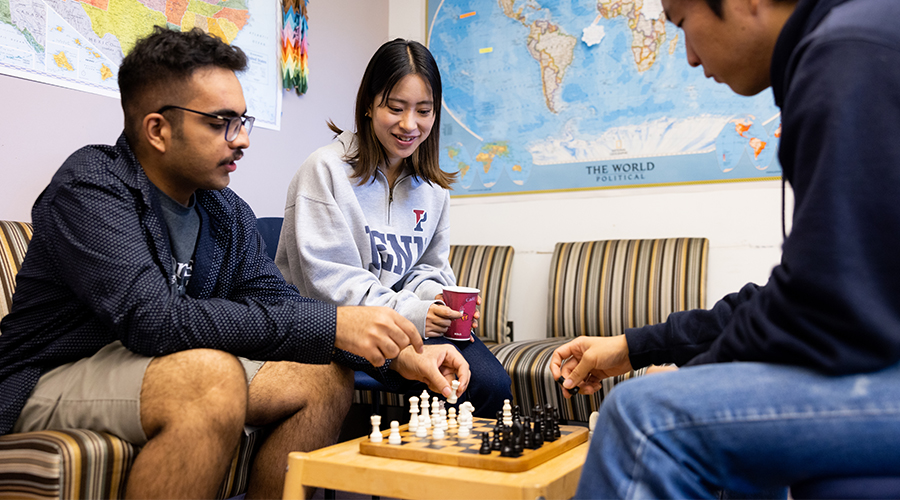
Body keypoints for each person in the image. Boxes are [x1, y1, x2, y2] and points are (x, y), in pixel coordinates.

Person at [0, 27, 471, 499]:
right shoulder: (91, 187)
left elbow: (281, 305)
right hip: (51, 374)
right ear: (158, 129)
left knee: (325, 376)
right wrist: (333, 323)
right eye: (221, 121)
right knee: (211, 379)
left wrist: (402, 354)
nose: (243, 138)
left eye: (243, 120)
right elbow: (153, 321)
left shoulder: (225, 212)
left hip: (158, 365)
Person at [549, 0, 900, 497]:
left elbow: (825, 310)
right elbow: (808, 291)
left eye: (681, 23)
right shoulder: (857, 36)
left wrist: (692, 374)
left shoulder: (845, 56)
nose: (690, 56)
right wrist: (634, 348)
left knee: (641, 415)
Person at [275, 39, 512, 417]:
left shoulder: (432, 189)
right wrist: (416, 313)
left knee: (489, 384)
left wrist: (437, 302)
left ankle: (445, 472)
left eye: (424, 110)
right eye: (395, 108)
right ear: (369, 104)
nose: (409, 125)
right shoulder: (324, 171)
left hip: (403, 324)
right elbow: (331, 286)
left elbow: (427, 268)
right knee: (442, 383)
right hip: (335, 324)